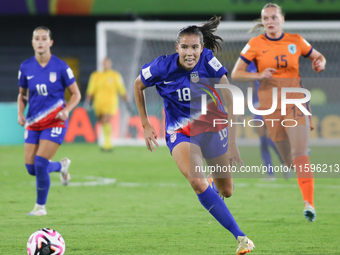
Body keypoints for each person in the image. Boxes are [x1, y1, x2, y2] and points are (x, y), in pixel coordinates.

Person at [134, 16, 255, 255]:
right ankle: (241, 238)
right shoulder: (161, 67)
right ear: (176, 47)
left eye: (195, 47)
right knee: (196, 181)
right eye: (185, 47)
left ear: (202, 48)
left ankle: (212, 183)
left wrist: (232, 142)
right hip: (180, 133)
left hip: (213, 128)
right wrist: (145, 124)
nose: (190, 52)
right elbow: (138, 86)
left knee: (227, 190)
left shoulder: (209, 61)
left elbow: (231, 99)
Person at [231, 3, 326, 222]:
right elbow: (236, 73)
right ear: (262, 21)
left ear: (282, 18)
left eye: (273, 17)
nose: (270, 22)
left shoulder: (296, 40)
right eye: (265, 18)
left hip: (295, 102)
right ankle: (299, 161)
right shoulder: (254, 44)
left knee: (300, 154)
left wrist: (318, 63)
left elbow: (318, 56)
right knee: (290, 162)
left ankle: (308, 204)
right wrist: (259, 75)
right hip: (270, 107)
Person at [17, 26, 81, 216]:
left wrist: (67, 110)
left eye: (44, 38)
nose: (40, 42)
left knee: (40, 162)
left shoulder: (61, 67)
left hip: (55, 121)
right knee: (31, 168)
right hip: (33, 121)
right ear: (32, 42)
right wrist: (20, 113)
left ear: (50, 42)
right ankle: (61, 166)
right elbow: (22, 95)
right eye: (37, 38)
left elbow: (76, 94)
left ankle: (40, 207)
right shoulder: (25, 67)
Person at [248, 61, 284, 181]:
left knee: (270, 138)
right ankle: (270, 173)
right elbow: (252, 86)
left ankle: (284, 161)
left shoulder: (271, 61)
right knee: (263, 140)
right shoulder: (250, 65)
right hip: (257, 105)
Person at [84, 57, 129, 151]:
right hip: (98, 104)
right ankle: (106, 143)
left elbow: (122, 90)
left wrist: (127, 102)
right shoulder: (95, 76)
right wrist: (87, 101)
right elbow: (90, 90)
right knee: (102, 122)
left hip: (110, 103)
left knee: (105, 121)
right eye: (104, 63)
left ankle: (107, 145)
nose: (106, 65)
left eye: (107, 63)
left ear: (110, 64)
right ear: (102, 64)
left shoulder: (115, 75)